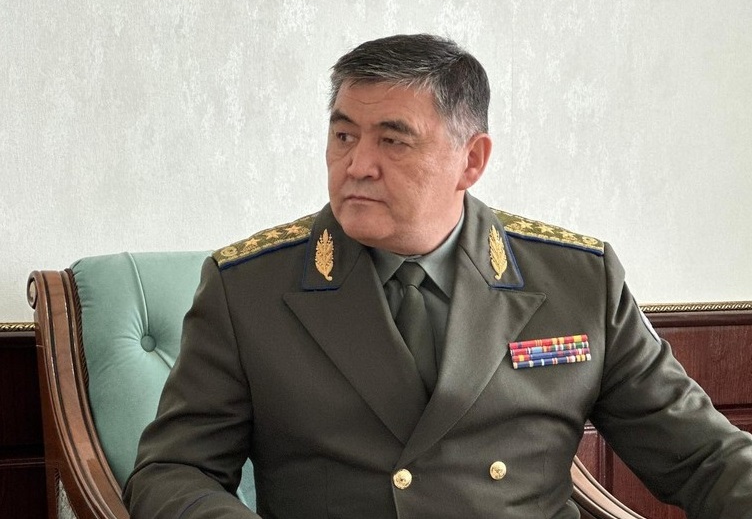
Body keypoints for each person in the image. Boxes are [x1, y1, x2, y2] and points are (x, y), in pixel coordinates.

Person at [124, 34, 752, 518]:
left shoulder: (578, 279)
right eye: (343, 135)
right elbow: (174, 471)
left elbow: (705, 457)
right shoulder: (248, 288)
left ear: (471, 160)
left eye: (393, 141)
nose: (357, 164)